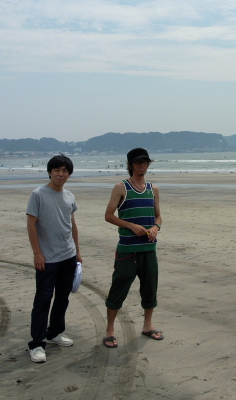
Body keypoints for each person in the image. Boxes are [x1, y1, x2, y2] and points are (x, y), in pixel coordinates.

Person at [102, 148, 163, 348]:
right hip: (127, 251)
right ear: (130, 165)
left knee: (150, 288)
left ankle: (147, 325)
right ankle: (110, 330)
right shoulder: (121, 187)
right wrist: (130, 226)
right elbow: (109, 215)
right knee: (118, 289)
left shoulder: (153, 189)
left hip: (148, 250)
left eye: (144, 162)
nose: (142, 165)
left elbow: (158, 216)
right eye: (138, 162)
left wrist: (156, 227)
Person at [26, 154, 83, 363]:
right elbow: (31, 224)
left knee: (62, 298)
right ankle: (37, 344)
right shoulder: (38, 194)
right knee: (42, 300)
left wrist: (77, 251)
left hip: (68, 256)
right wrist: (37, 253)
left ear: (69, 174)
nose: (61, 174)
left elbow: (72, 224)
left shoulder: (69, 196)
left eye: (65, 171)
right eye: (57, 170)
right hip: (47, 258)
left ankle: (55, 333)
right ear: (50, 172)